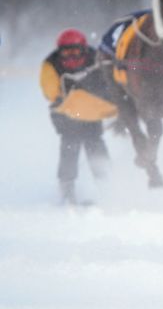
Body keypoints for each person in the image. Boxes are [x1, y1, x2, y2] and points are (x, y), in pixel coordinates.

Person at [40, 29, 117, 204]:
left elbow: (109, 81)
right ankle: (67, 187)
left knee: (95, 143)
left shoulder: (96, 59)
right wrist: (63, 99)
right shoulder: (51, 64)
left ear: (83, 49)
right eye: (66, 52)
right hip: (64, 113)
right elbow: (50, 88)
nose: (71, 56)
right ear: (59, 52)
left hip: (92, 113)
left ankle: (107, 184)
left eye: (75, 51)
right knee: (70, 144)